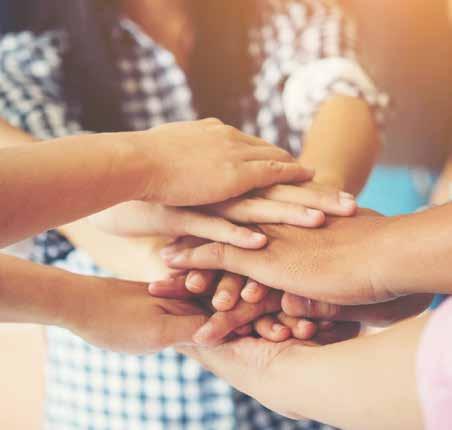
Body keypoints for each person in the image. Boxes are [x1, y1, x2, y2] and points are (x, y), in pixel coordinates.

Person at [0, 0, 385, 428]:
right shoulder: (27, 60)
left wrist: (309, 208)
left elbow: (341, 97)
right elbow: (63, 208)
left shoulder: (292, 19)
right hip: (121, 408)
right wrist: (260, 262)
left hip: (296, 404)